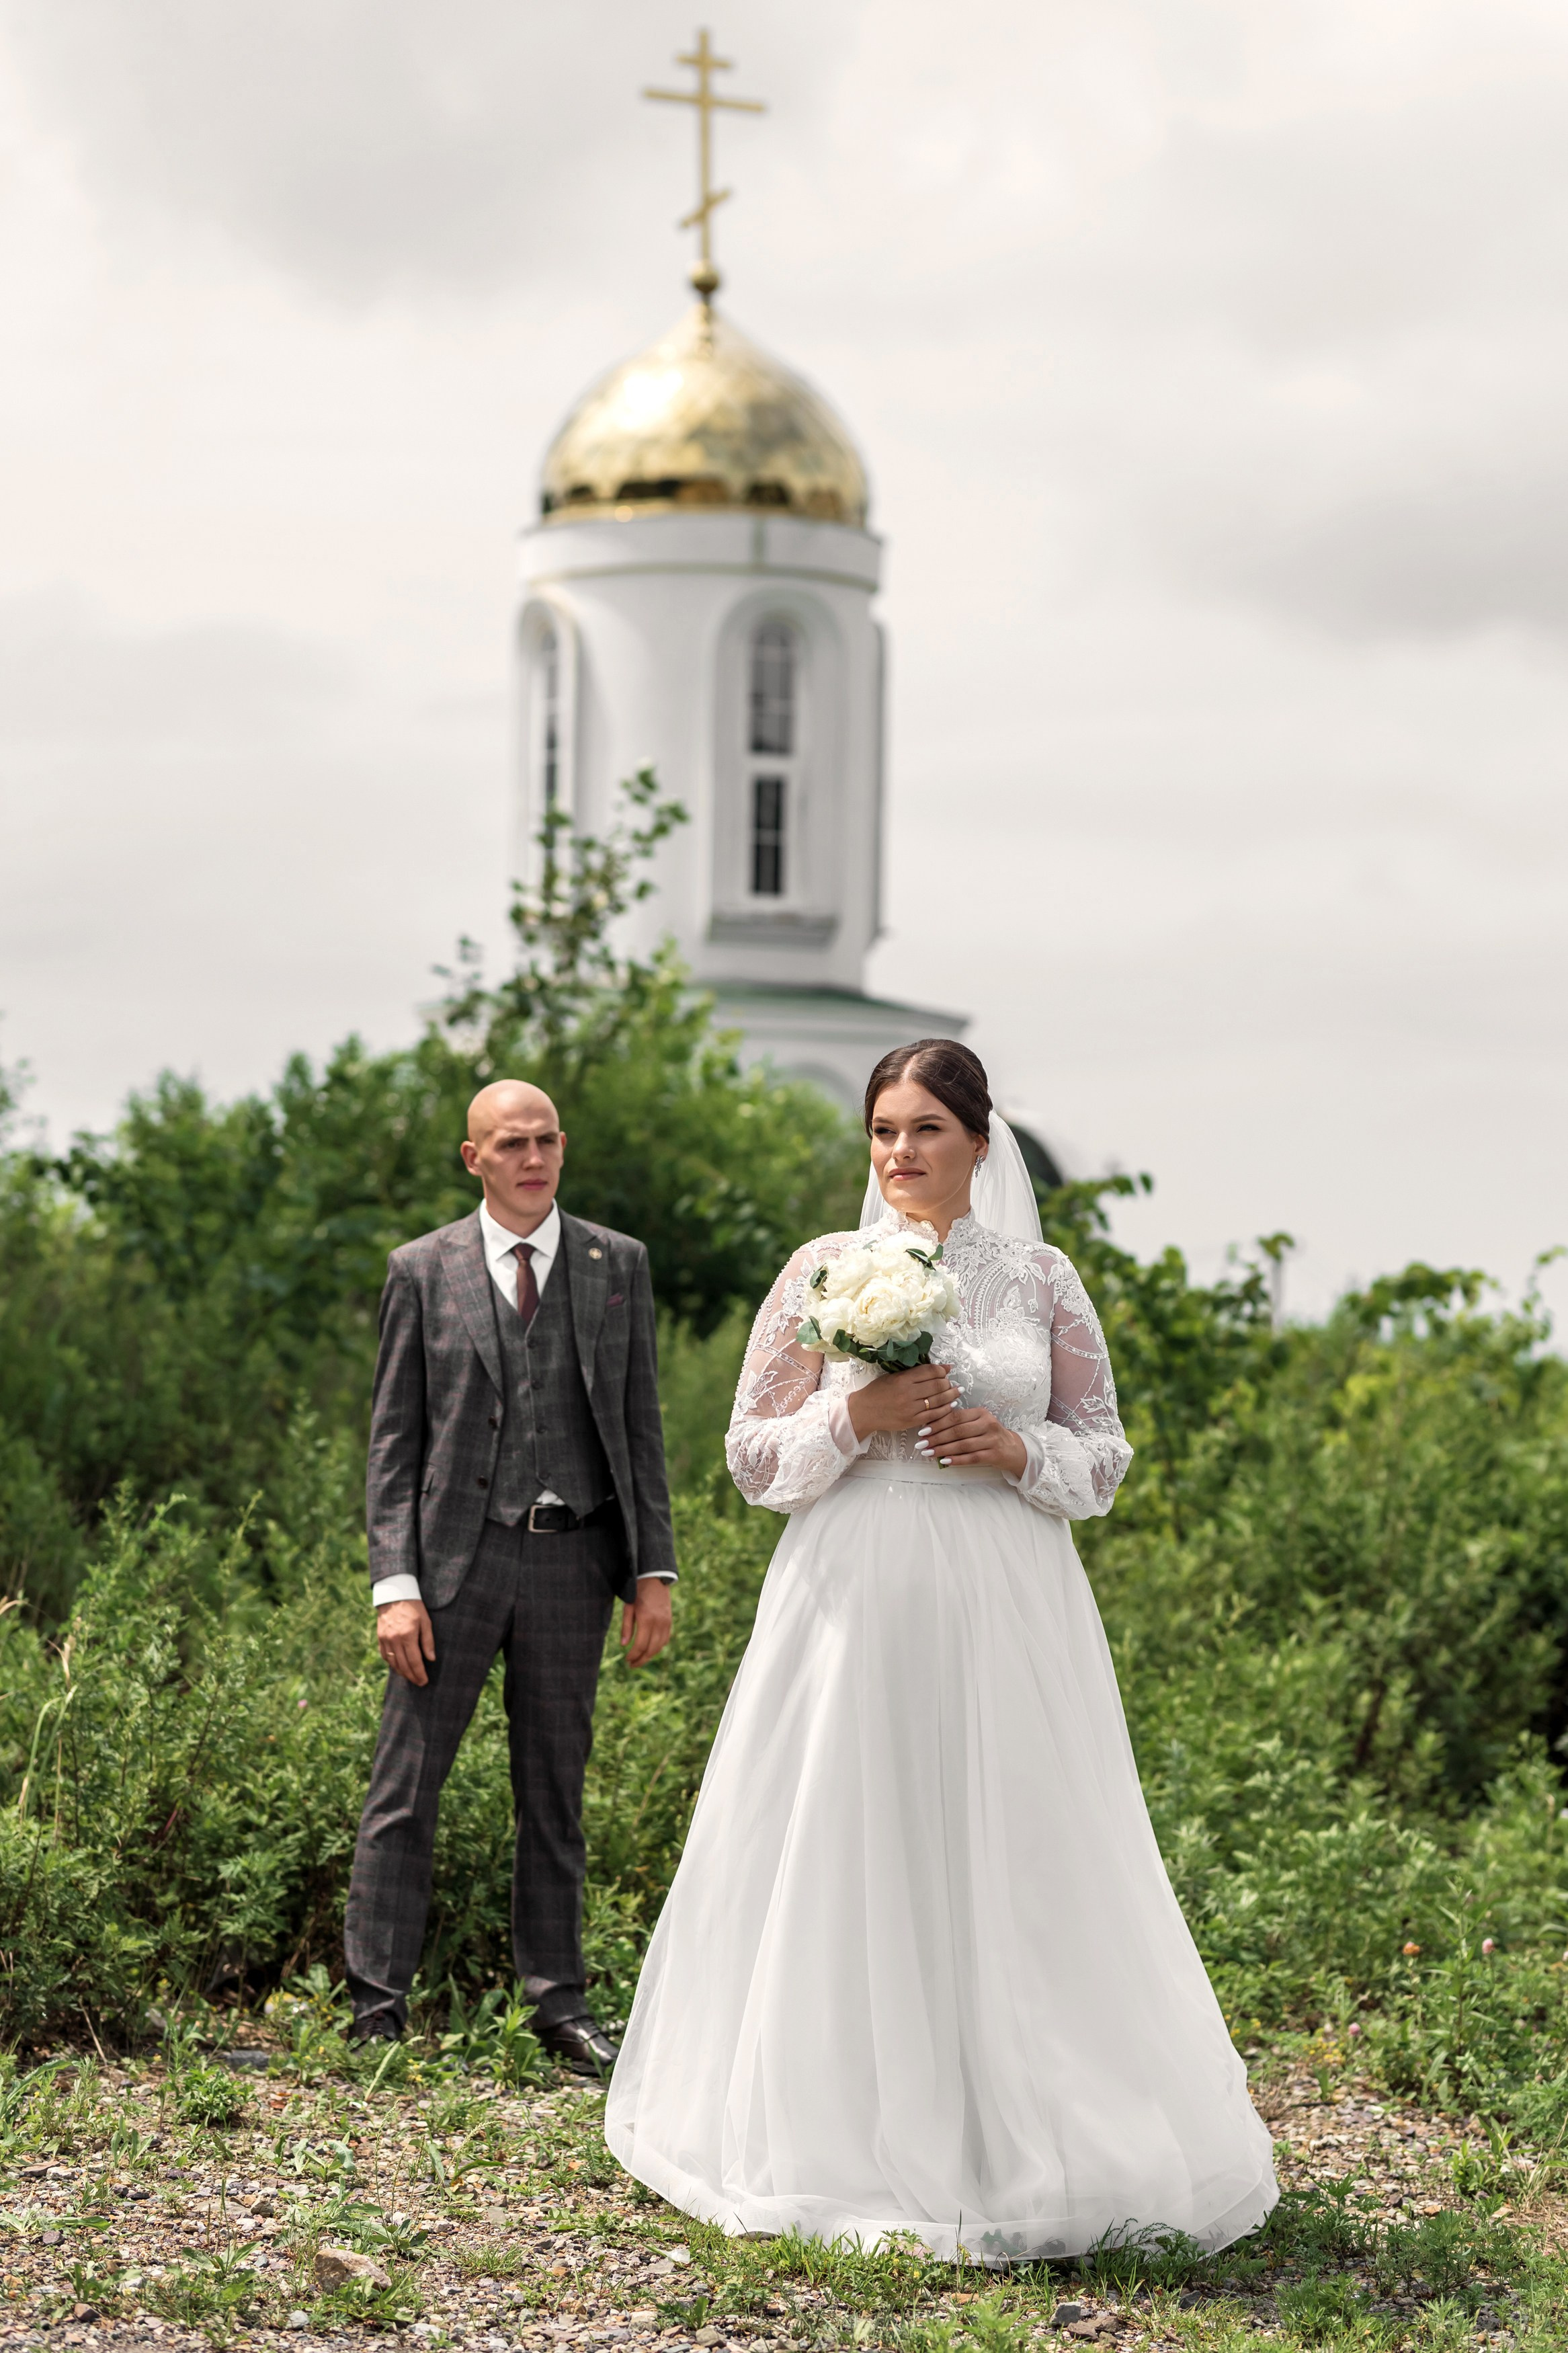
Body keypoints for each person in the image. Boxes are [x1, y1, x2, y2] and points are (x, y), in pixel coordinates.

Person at [606, 1040, 1278, 2256]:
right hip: (855, 1581)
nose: (899, 1153)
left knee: (1012, 1836)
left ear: (978, 1140)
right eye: (881, 1131)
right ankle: (834, 2129)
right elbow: (753, 1454)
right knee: (852, 1825)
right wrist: (854, 1415)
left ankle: (1032, 2133)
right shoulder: (824, 1267)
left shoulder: (1039, 1277)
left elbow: (1104, 1454)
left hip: (1005, 1589)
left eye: (924, 1129)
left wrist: (1017, 1453)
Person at [343, 1079, 677, 2074]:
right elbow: (393, 1447)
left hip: (575, 1556)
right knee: (405, 1788)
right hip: (454, 1564)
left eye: (545, 1141)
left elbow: (640, 1426)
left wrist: (650, 1572)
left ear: (563, 1148)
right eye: (510, 1144)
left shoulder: (616, 1264)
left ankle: (558, 2008)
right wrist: (393, 1583)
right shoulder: (422, 1270)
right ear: (473, 1157)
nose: (531, 1158)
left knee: (555, 1792)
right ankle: (375, 2008)